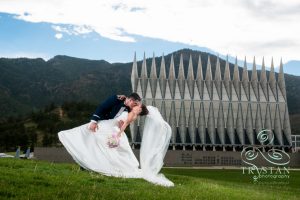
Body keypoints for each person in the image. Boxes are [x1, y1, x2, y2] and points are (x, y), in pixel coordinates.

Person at [58, 94, 174, 187]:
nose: (134, 106)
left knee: (107, 149)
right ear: (130, 100)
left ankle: (92, 165)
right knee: (85, 137)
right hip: (104, 125)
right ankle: (85, 163)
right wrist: (94, 121)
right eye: (134, 103)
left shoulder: (131, 112)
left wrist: (118, 131)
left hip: (112, 130)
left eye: (136, 105)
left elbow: (124, 123)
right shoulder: (116, 99)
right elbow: (102, 108)